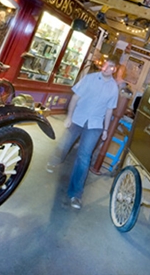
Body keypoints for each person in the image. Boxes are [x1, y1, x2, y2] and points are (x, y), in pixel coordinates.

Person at [46, 57, 120, 209]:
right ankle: (54, 160)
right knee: (65, 144)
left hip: (95, 124)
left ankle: (75, 194)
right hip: (78, 118)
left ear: (115, 69)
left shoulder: (114, 88)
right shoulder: (90, 78)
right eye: (105, 64)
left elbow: (109, 110)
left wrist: (105, 129)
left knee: (84, 157)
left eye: (111, 66)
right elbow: (75, 97)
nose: (106, 68)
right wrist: (69, 116)